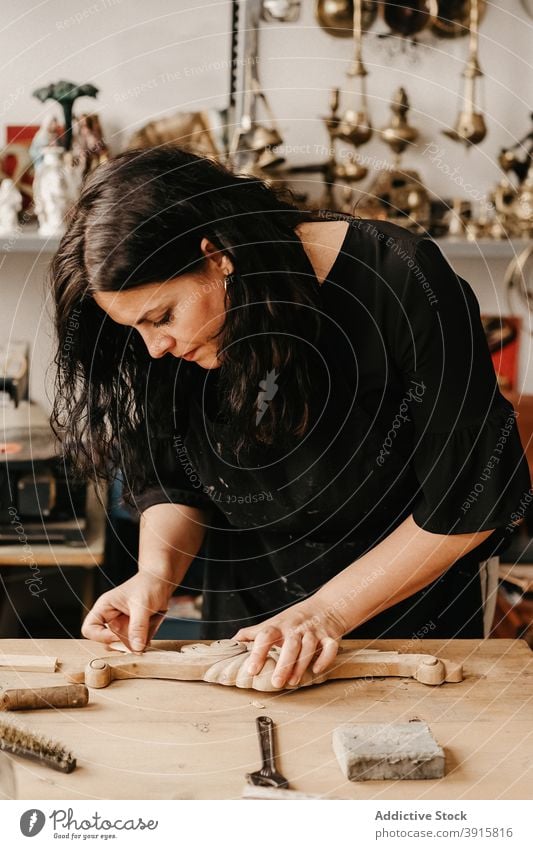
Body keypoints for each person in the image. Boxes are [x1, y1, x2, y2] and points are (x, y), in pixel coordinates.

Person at [49, 146, 531, 689]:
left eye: (162, 317)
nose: (155, 346)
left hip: (413, 623)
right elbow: (175, 473)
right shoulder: (174, 342)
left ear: (218, 256)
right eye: (136, 327)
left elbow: (470, 496)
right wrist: (156, 575)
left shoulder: (402, 282)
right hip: (251, 630)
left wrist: (327, 612)